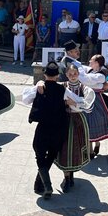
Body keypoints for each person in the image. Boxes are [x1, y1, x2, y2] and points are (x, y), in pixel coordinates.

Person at [21, 61, 70, 199]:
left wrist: (38, 85)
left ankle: (45, 184)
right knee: (52, 154)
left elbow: (25, 100)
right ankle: (40, 184)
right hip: (59, 127)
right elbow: (77, 100)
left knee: (39, 153)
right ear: (57, 76)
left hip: (43, 127)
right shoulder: (62, 89)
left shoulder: (39, 88)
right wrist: (70, 102)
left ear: (45, 74)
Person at [56, 65, 94, 192]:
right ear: (66, 74)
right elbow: (49, 89)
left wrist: (75, 103)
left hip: (78, 121)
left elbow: (88, 104)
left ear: (78, 74)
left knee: (75, 148)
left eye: (75, 73)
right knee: (64, 148)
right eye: (70, 73)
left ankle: (71, 175)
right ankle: (67, 178)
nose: (72, 76)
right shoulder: (61, 86)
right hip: (63, 120)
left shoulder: (85, 88)